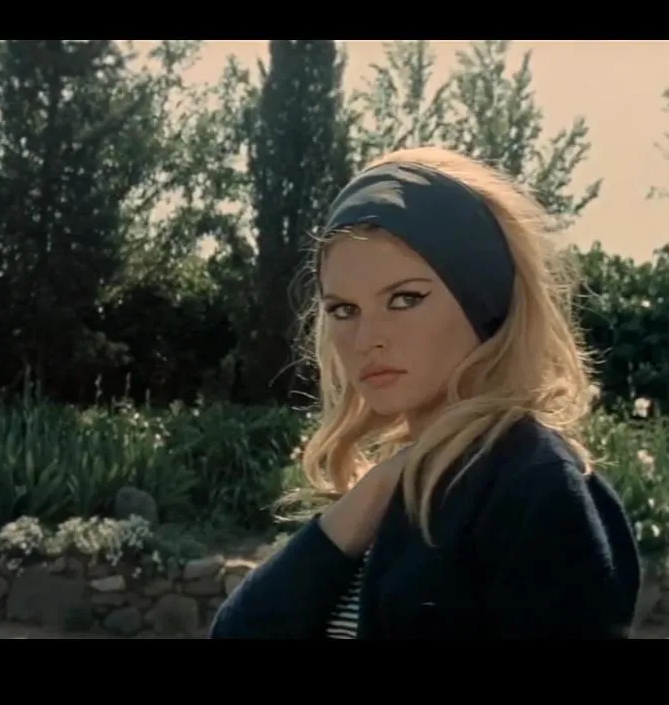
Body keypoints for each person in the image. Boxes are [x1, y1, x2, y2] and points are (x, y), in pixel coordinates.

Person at [208, 146, 642, 639]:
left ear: (483, 300)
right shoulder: (397, 485)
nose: (367, 338)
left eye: (404, 299)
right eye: (344, 310)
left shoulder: (534, 484)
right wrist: (374, 492)